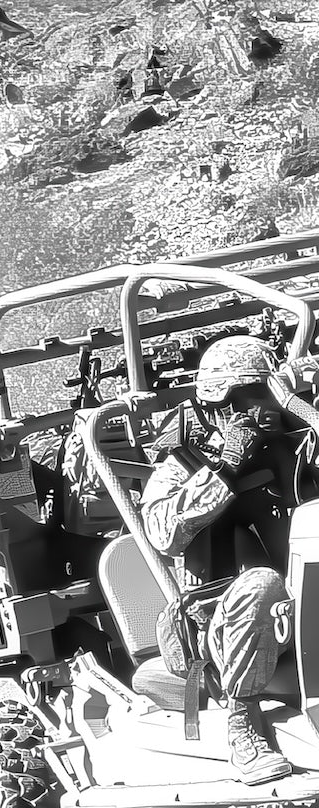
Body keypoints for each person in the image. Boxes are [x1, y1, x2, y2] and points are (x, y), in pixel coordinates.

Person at [140, 334, 309, 786]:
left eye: (265, 396)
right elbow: (163, 533)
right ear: (217, 408)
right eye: (247, 400)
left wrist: (302, 409)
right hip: (221, 626)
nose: (261, 410)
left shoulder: (297, 449)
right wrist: (226, 467)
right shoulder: (182, 465)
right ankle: (244, 725)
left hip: (304, 607)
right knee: (260, 584)